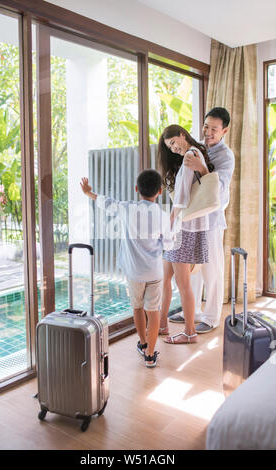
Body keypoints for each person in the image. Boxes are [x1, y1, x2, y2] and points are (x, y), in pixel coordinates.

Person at [80, 169, 174, 367]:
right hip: (155, 272)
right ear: (159, 191)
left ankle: (142, 342)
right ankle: (150, 354)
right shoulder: (163, 216)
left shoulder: (127, 208)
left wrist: (89, 192)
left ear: (136, 189)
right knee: (153, 312)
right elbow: (168, 244)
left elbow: (107, 203)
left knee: (137, 307)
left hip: (134, 273)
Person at [169, 107, 235, 333]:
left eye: (214, 129)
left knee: (212, 269)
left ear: (224, 130)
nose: (208, 132)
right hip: (193, 219)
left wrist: (202, 168)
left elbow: (221, 190)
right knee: (193, 265)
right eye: (206, 127)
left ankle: (212, 316)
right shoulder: (198, 147)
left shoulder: (226, 156)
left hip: (211, 220)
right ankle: (193, 309)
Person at [158, 124, 214, 344]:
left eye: (173, 143)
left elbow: (181, 198)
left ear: (182, 135)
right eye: (169, 147)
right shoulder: (195, 153)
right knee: (166, 278)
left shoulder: (191, 155)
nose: (173, 149)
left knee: (183, 285)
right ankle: (163, 323)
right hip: (184, 227)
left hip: (183, 228)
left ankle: (190, 332)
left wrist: (169, 222)